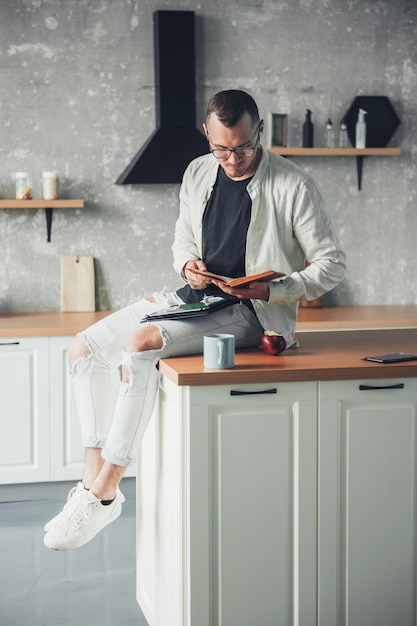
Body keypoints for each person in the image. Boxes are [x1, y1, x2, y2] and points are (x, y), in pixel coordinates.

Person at [44, 89, 346, 550]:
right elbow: (183, 237)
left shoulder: (294, 184)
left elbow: (331, 265)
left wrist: (271, 288)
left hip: (252, 312)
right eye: (221, 148)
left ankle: (107, 486)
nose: (232, 159)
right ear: (207, 135)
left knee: (141, 345)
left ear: (259, 131)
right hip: (197, 296)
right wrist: (188, 265)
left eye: (242, 148)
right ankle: (90, 484)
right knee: (81, 349)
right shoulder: (198, 170)